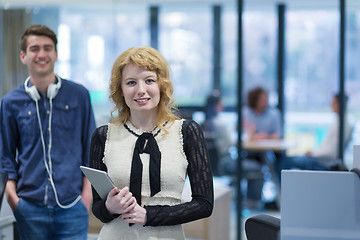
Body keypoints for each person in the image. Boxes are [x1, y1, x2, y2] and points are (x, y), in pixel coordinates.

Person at [90, 46, 214, 239]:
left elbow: (204, 204)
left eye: (149, 80)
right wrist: (109, 207)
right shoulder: (103, 136)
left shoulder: (187, 132)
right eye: (131, 82)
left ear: (161, 85)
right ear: (120, 90)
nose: (141, 90)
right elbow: (98, 208)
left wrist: (149, 215)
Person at [0, 25, 96, 239]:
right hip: (29, 207)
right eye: (35, 48)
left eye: (47, 48)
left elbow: (89, 148)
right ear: (23, 56)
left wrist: (86, 196)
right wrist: (12, 197)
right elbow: (6, 156)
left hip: (73, 206)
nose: (41, 54)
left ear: (56, 54)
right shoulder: (10, 102)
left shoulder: (79, 95)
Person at [279, 93, 352, 171]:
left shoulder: (342, 125)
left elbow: (331, 153)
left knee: (285, 162)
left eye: (333, 102)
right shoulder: (340, 122)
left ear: (338, 104)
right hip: (321, 160)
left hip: (323, 163)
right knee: (288, 159)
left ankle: (281, 183)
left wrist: (314, 154)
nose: (330, 104)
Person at [242, 86, 282, 209]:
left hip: (271, 152)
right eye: (261, 99)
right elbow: (244, 132)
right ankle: (252, 201)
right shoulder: (246, 112)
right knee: (254, 165)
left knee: (275, 165)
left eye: (266, 98)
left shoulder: (274, 114)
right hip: (250, 152)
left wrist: (265, 137)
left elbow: (277, 136)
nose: (265, 101)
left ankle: (277, 200)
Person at [202, 90, 233, 175]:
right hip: (225, 161)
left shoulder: (205, 124)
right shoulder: (219, 124)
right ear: (215, 106)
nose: (223, 105)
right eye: (220, 103)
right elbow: (230, 143)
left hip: (214, 164)